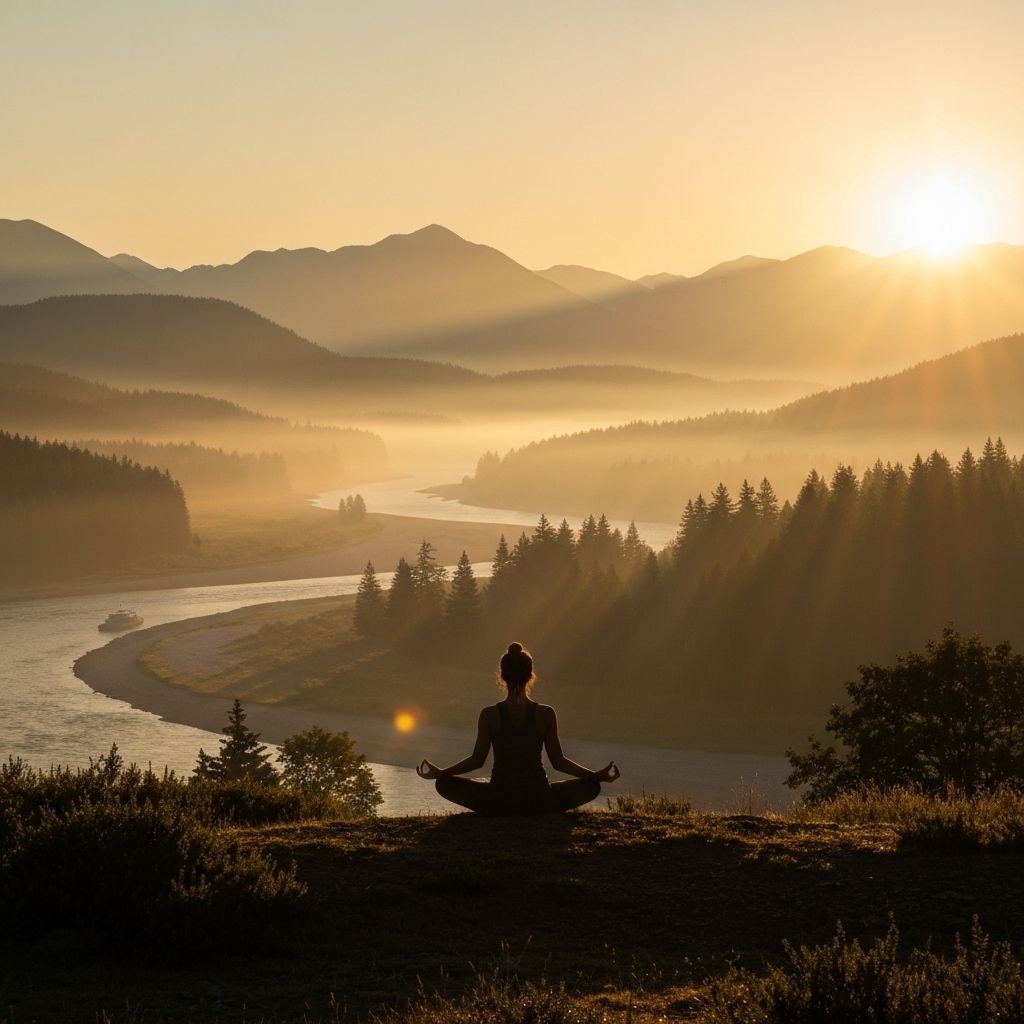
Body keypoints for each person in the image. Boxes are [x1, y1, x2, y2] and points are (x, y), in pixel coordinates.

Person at [416, 641, 620, 815]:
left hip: (498, 801)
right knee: (591, 786)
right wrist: (595, 776)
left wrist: (442, 773)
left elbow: (477, 761)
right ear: (530, 676)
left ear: (502, 677)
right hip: (539, 800)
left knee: (443, 784)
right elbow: (558, 762)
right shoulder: (546, 714)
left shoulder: (489, 715)